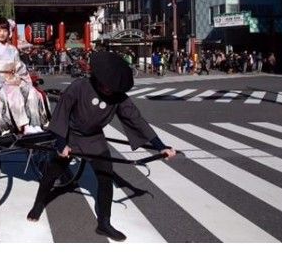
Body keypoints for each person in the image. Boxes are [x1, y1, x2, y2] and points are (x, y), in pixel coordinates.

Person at [26, 51, 176, 241]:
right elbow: (61, 114)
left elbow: (136, 119)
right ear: (97, 77)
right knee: (52, 172)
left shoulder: (117, 96)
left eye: (112, 87)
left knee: (106, 178)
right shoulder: (79, 87)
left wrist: (160, 146)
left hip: (95, 139)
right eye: (106, 85)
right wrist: (61, 143)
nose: (109, 90)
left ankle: (104, 223)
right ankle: (39, 203)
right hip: (71, 135)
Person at [0, 17, 49, 135]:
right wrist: (1, 81)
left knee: (32, 92)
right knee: (14, 92)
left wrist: (24, 80)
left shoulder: (13, 49)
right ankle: (25, 125)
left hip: (13, 78)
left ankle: (35, 123)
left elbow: (19, 67)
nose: (2, 33)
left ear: (9, 32)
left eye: (5, 30)